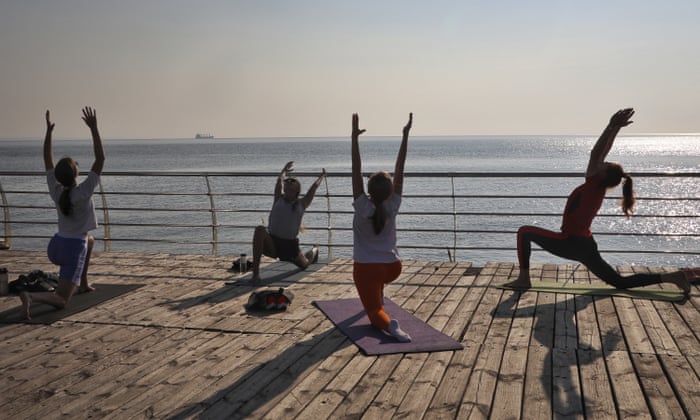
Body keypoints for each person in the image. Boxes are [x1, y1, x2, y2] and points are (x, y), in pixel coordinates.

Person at [505, 108, 695, 293]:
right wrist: (616, 128)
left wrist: (610, 125)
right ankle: (672, 277)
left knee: (524, 232)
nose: (601, 162)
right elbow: (601, 154)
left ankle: (524, 279)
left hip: (570, 242)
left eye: (604, 164)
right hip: (586, 243)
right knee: (619, 282)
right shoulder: (599, 188)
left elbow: (596, 153)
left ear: (603, 173)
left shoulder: (593, 185)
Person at [20, 107, 105, 320]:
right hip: (72, 250)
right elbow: (100, 158)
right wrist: (94, 129)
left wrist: (49, 132)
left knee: (91, 240)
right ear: (76, 173)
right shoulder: (83, 192)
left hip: (56, 245)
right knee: (62, 301)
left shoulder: (56, 191)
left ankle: (83, 283)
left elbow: (47, 160)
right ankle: (32, 297)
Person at [351, 112, 413, 342]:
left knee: (374, 312)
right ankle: (379, 295)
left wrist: (354, 139)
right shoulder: (393, 203)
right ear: (389, 190)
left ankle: (391, 327)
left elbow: (355, 169)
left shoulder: (361, 206)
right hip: (392, 267)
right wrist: (405, 135)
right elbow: (401, 167)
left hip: (367, 269)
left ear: (368, 190)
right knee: (376, 282)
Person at [250, 161, 325, 283]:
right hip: (273, 243)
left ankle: (314, 251)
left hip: (290, 247)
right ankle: (255, 274)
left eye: (292, 186)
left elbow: (314, 188)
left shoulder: (302, 203)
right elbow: (279, 181)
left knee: (305, 264)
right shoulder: (278, 199)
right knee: (259, 229)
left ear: (297, 190)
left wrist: (321, 177)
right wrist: (284, 170)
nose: (289, 188)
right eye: (287, 186)